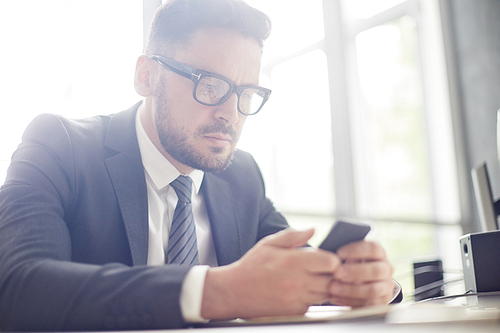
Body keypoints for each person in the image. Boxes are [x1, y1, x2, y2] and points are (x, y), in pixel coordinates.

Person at [0, 0, 395, 331]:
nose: (230, 114)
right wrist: (217, 290)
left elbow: (294, 272)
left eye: (247, 93)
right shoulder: (60, 146)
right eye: (209, 84)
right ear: (146, 76)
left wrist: (359, 282)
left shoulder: (241, 177)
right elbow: (17, 289)